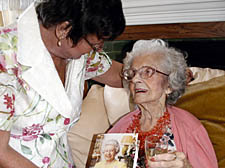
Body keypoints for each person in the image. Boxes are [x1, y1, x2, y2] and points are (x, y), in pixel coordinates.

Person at [0, 0, 125, 167]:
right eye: (95, 45)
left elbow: (120, 75)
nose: (98, 51)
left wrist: (157, 73)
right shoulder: (6, 56)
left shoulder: (76, 50)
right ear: (63, 29)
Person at [108, 39, 218, 168]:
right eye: (133, 73)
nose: (136, 79)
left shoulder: (189, 127)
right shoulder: (121, 127)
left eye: (147, 72)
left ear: (169, 85)